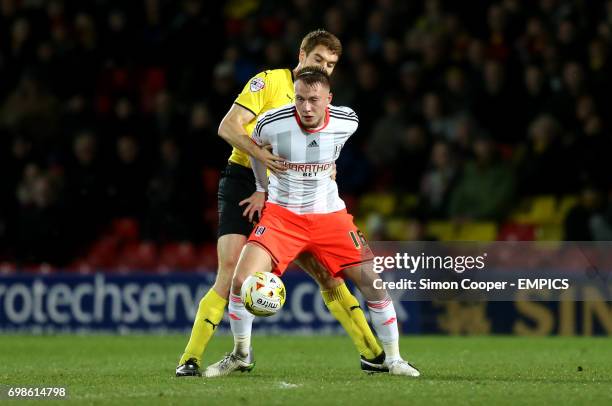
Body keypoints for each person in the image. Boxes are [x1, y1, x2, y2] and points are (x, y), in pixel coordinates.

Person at [176, 30, 384, 377]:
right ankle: (191, 358)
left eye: (331, 64)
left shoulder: (318, 97)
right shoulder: (269, 82)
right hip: (245, 180)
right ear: (301, 55)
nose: (324, 68)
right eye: (318, 59)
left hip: (291, 194)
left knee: (327, 275)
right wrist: (261, 160)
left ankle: (373, 353)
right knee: (230, 272)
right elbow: (228, 127)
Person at [222, 66, 420, 377]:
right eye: (299, 99)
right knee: (239, 281)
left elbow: (334, 150)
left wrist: (332, 168)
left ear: (329, 99)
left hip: (330, 217)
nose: (306, 107)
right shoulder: (271, 123)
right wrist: (261, 189)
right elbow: (255, 153)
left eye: (314, 99)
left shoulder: (347, 121)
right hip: (283, 217)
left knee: (372, 282)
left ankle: (393, 359)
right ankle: (241, 354)